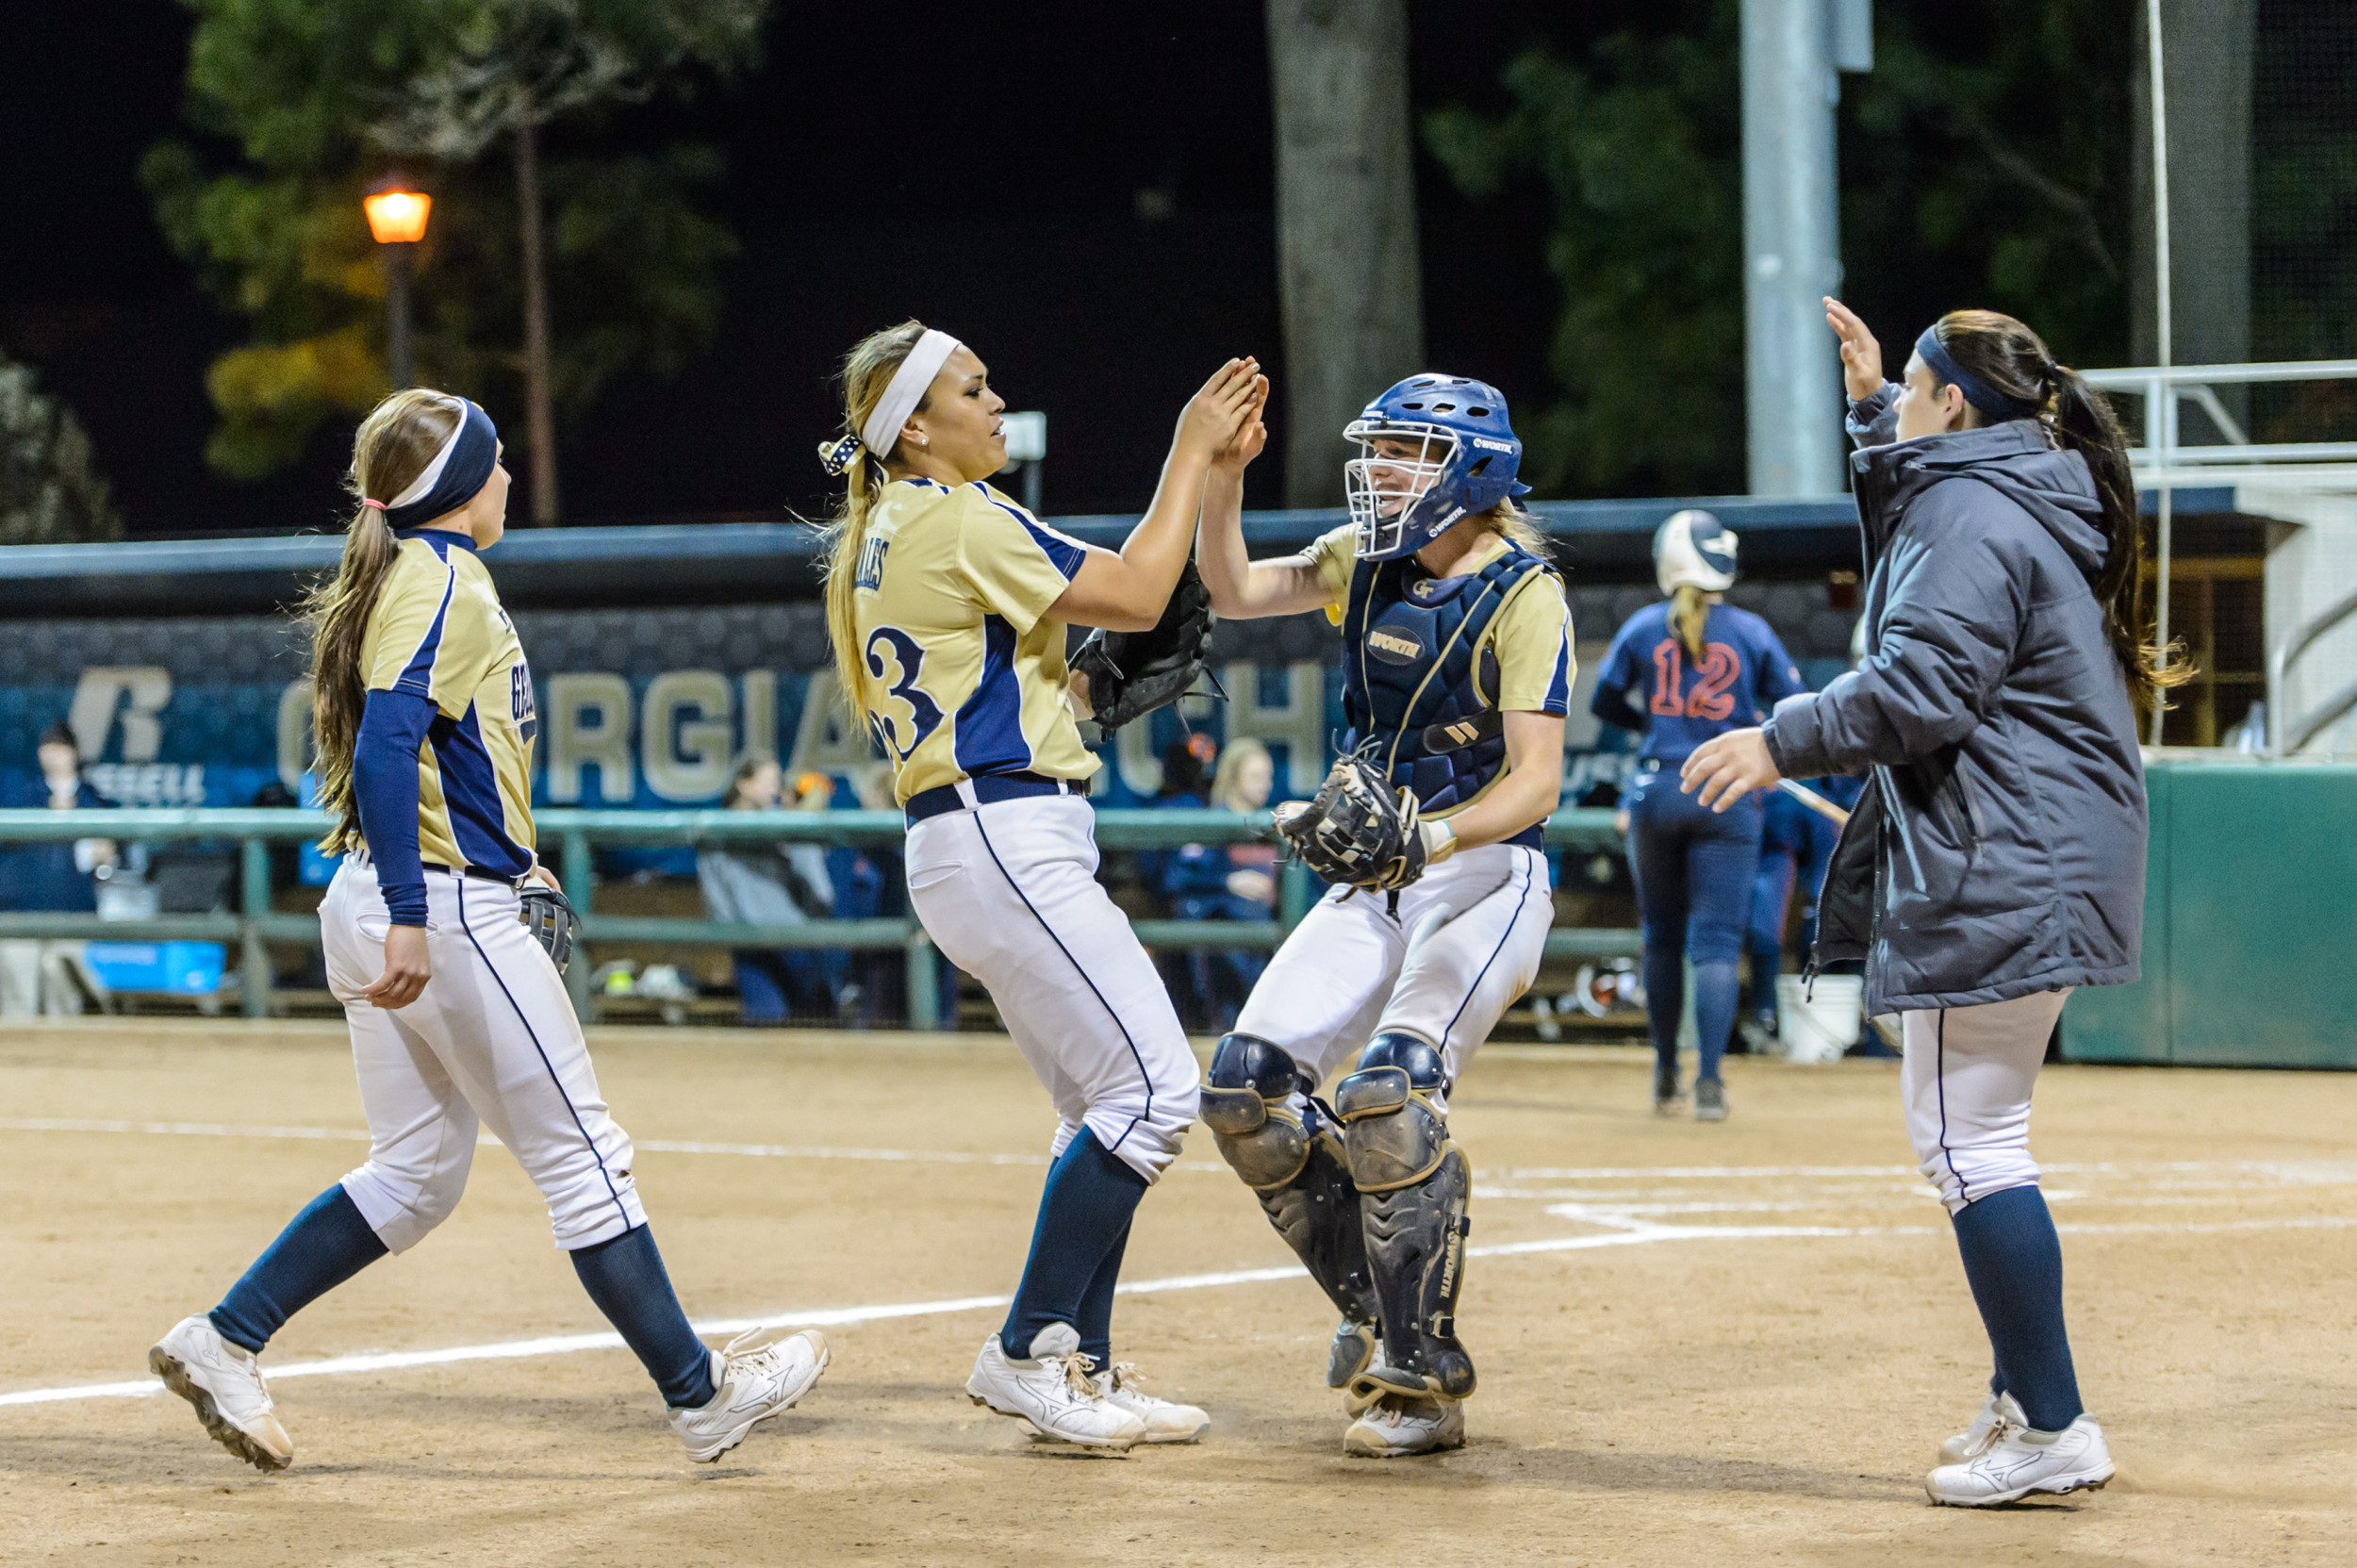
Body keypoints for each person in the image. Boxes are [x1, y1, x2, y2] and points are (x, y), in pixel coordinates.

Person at [149, 390, 829, 1472]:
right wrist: (422, 916)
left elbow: (434, 758)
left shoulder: (419, 576)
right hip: (434, 909)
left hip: (394, 890)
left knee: (417, 1172)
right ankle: (701, 1395)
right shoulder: (447, 578)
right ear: (460, 485)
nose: (509, 478)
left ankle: (224, 1336)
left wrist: (507, 857)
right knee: (584, 1158)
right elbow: (384, 750)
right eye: (498, 461)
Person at [1682, 300, 2183, 1506]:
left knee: (1969, 1145)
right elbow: (1924, 544)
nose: (1900, 402)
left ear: (1954, 402)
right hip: (2033, 844)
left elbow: (1920, 683)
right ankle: (2028, 1396)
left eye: (1911, 385)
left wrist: (1776, 738)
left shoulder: (1968, 507)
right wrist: (1869, 409)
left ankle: (2054, 1423)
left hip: (2006, 852)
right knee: (1968, 1138)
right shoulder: (1997, 487)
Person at [816, 322, 1261, 1448]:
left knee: (1097, 1106)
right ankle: (1028, 1349)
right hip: (1001, 833)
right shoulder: (956, 513)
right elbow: (1142, 588)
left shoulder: (895, 523)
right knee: (1156, 1094)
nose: (996, 399)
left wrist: (1058, 685)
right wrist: (1189, 450)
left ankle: (1080, 1367)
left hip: (976, 837)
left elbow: (1043, 643)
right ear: (914, 425)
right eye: (974, 388)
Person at [1193, 372, 1574, 1457]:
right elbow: (1228, 586)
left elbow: (1535, 781)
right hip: (1384, 877)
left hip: (1488, 872)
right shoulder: (1366, 562)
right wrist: (1225, 480)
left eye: (1408, 452)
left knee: (1388, 1094)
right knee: (1242, 1091)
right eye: (1383, 450)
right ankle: (1374, 1310)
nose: (1383, 472)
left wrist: (1432, 839)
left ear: (1471, 470)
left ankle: (1420, 1378)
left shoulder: (1522, 590)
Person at [1591, 511, 1805, 1119]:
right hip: (1726, 793)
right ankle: (1709, 1083)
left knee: (1661, 940)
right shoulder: (1753, 630)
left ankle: (1664, 1074)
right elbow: (1789, 709)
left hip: (1657, 789)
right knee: (1715, 945)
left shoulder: (1640, 628)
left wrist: (1655, 729)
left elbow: (1606, 701)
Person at [698, 754, 840, 1022]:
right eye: (768, 781)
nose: (775, 789)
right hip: (748, 939)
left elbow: (817, 882)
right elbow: (714, 888)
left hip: (792, 937)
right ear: (743, 784)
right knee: (767, 1019)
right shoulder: (714, 826)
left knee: (812, 1019)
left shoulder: (783, 821)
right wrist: (725, 928)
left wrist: (806, 814)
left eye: (776, 782)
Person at [1159, 735, 1278, 1030]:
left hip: (1264, 946)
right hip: (1224, 951)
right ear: (1234, 778)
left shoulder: (1271, 824)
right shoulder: (1213, 822)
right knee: (1227, 1029)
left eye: (1268, 776)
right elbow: (1178, 877)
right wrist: (1228, 881)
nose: (1265, 784)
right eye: (1255, 776)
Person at [0, 721, 111, 1015]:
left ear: (73, 753)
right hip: (20, 911)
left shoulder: (94, 800)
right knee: (18, 1005)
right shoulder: (21, 796)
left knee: (65, 1006)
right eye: (47, 748)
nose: (53, 756)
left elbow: (112, 855)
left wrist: (105, 852)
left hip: (72, 912)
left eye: (60, 748)